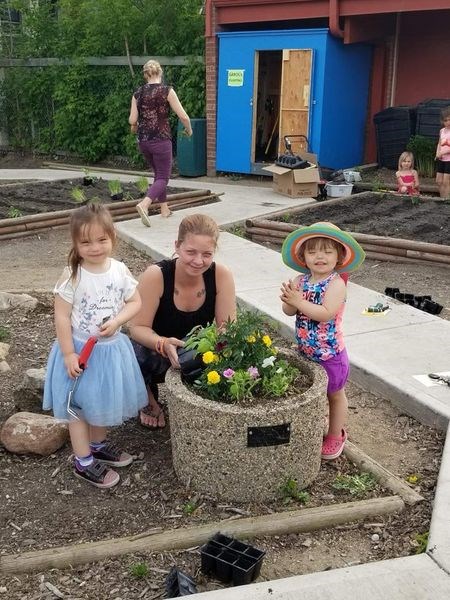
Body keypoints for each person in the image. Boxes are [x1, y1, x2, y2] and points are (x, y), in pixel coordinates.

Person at [43, 204, 148, 489]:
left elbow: (135, 302)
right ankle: (83, 461)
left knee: (100, 401)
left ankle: (98, 444)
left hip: (110, 350)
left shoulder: (119, 270)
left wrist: (118, 321)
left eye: (102, 239)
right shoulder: (73, 276)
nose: (95, 247)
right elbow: (62, 316)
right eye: (86, 242)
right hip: (80, 352)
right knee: (78, 407)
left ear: (112, 236)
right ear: (75, 244)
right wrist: (68, 353)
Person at [129, 213, 236, 429]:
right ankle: (148, 399)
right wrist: (162, 343)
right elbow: (137, 328)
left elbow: (228, 327)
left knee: (234, 350)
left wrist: (220, 347)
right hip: (156, 351)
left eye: (207, 254)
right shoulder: (156, 275)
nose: (198, 261)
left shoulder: (220, 275)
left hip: (195, 350)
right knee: (130, 351)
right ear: (177, 246)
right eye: (191, 252)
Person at [279, 222, 365, 460]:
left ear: (338, 256)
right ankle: (317, 424)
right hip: (306, 351)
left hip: (331, 354)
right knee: (314, 393)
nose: (320, 256)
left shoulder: (336, 284)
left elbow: (325, 313)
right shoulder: (300, 280)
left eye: (327, 251)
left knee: (334, 394)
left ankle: (335, 434)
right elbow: (289, 311)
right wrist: (288, 299)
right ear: (303, 256)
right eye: (313, 251)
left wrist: (298, 302)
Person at [129, 59, 193, 225]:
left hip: (144, 141)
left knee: (158, 175)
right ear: (160, 73)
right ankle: (145, 204)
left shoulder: (137, 94)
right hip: (161, 139)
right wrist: (189, 129)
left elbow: (132, 120)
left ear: (145, 75)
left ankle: (164, 210)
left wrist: (134, 128)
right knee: (164, 177)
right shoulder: (167, 91)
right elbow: (183, 116)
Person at [435, 106, 450, 198]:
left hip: (449, 160)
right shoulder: (442, 131)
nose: (448, 122)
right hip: (441, 159)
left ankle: (447, 201)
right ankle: (442, 199)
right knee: (439, 181)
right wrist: (437, 153)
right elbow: (439, 143)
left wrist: (443, 153)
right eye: (445, 120)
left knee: (446, 181)